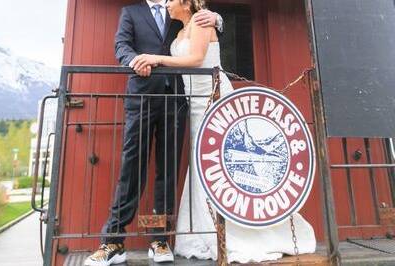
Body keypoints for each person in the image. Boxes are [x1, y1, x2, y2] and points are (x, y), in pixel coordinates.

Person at [130, 0, 317, 263]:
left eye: (171, 0)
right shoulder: (180, 29)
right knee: (202, 166)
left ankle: (239, 231)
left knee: (220, 165)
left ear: (185, 2)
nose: (167, 4)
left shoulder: (201, 21)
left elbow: (195, 59)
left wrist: (157, 59)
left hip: (213, 98)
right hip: (193, 103)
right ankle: (205, 231)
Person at [84, 1, 222, 265]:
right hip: (141, 99)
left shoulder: (178, 11)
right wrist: (135, 61)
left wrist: (217, 18)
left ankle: (159, 239)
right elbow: (121, 46)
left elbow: (203, 32)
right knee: (131, 168)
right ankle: (113, 240)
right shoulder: (131, 12)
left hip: (175, 100)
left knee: (167, 172)